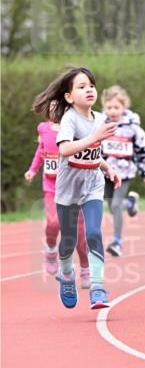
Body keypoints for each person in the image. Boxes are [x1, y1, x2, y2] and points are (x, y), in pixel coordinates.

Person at [32, 67, 120, 310]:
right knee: (69, 240)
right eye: (82, 87)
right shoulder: (69, 119)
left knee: (93, 233)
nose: (89, 89)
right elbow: (65, 149)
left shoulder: (100, 119)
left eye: (91, 85)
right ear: (69, 97)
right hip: (68, 190)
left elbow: (93, 153)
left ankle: (98, 287)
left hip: (92, 186)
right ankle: (67, 274)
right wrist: (94, 137)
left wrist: (107, 168)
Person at [25, 110, 90, 286]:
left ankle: (85, 268)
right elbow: (41, 150)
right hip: (51, 186)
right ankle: (51, 249)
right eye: (52, 107)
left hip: (74, 187)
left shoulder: (76, 128)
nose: (55, 111)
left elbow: (89, 152)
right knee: (53, 223)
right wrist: (33, 170)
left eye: (59, 107)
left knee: (80, 234)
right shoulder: (43, 128)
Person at [100, 85, 145, 258]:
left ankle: (117, 242)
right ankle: (130, 203)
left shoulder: (133, 128)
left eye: (116, 107)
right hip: (105, 172)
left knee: (115, 205)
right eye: (109, 107)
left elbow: (143, 150)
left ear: (124, 107)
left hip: (124, 174)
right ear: (104, 107)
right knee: (111, 204)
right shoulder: (99, 125)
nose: (112, 111)